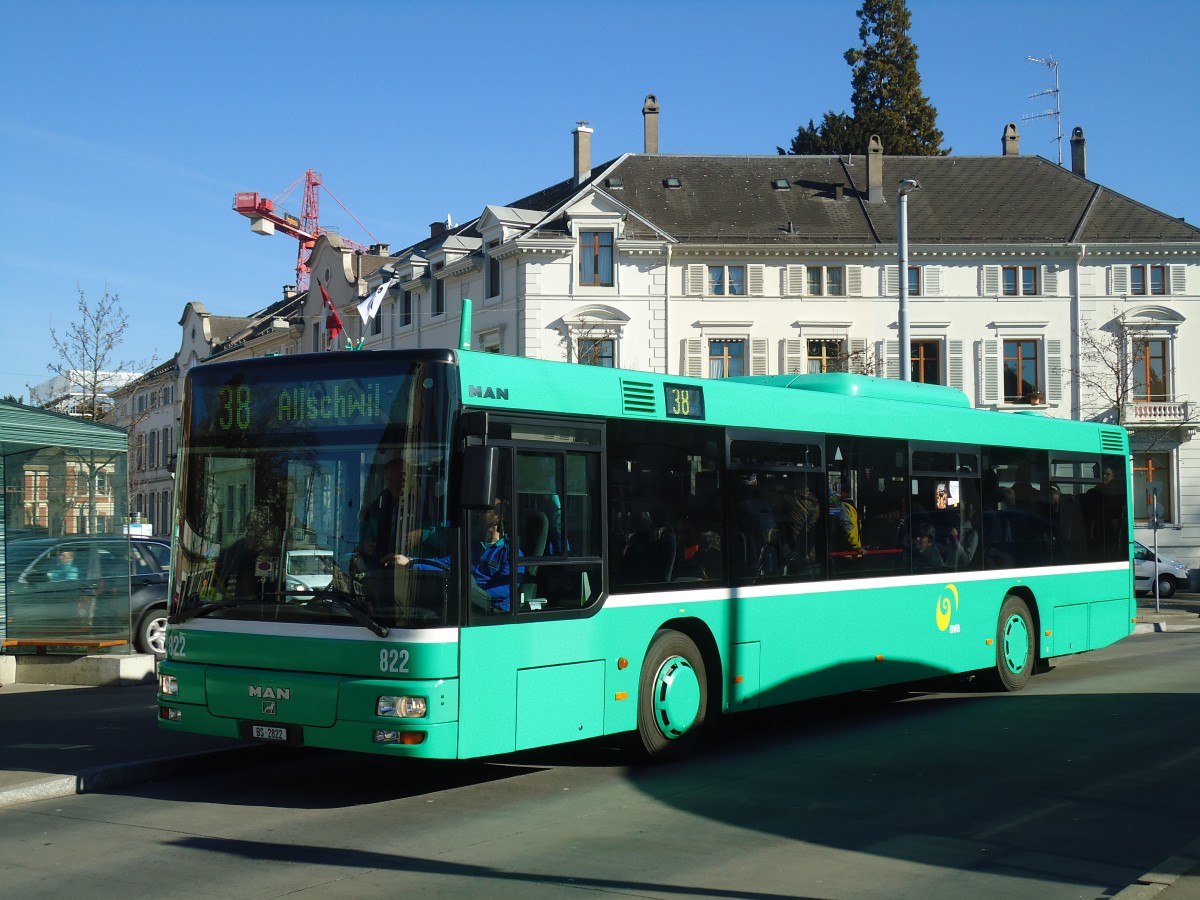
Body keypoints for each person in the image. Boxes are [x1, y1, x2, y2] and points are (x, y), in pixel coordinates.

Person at [392, 499, 522, 612]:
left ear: (498, 518)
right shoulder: (474, 547)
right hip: (468, 605)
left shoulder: (510, 552)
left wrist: (476, 595)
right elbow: (443, 564)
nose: (478, 515)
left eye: (483, 512)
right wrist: (410, 561)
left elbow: (508, 587)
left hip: (493, 611)